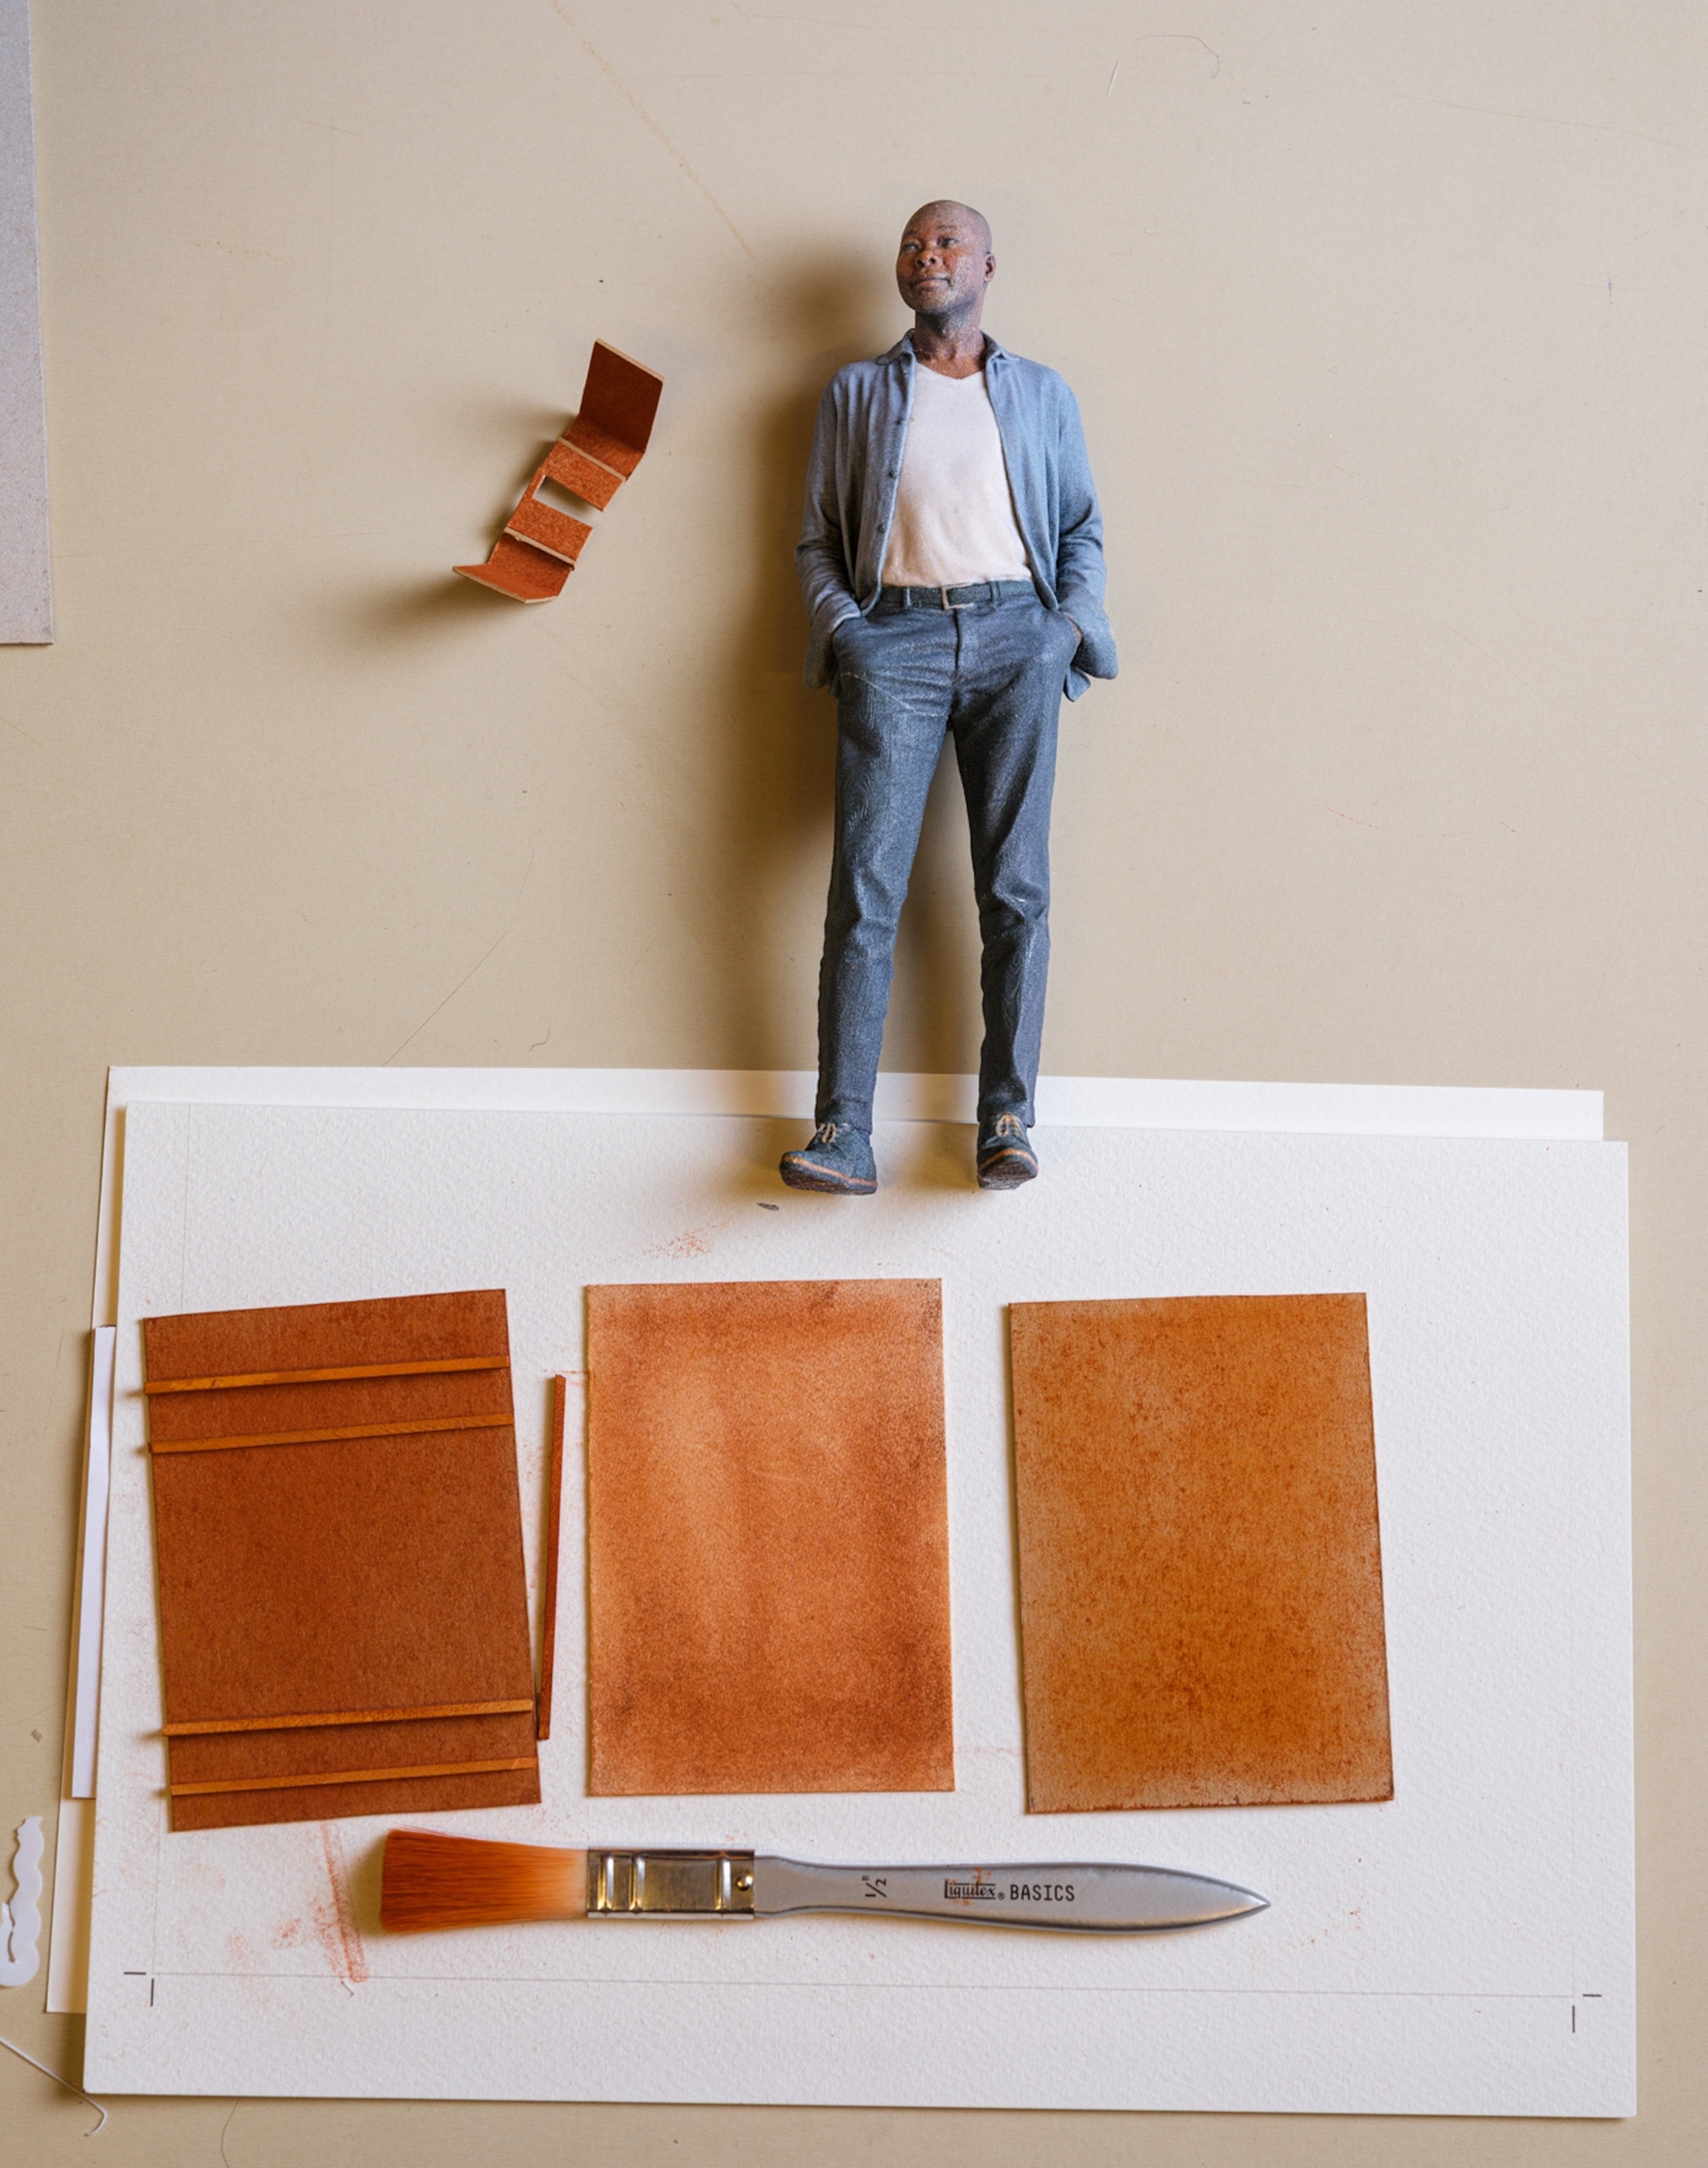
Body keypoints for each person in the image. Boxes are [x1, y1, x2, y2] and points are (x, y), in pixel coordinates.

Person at [780, 200, 1117, 1195]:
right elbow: (814, 541)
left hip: (1020, 636)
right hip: (898, 643)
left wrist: (1066, 628)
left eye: (947, 244)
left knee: (1017, 891)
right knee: (864, 892)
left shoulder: (1044, 394)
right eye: (913, 246)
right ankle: (844, 1131)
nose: (927, 257)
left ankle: (1006, 1118)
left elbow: (1083, 530)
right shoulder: (855, 392)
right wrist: (851, 635)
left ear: (987, 267)